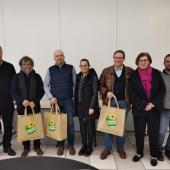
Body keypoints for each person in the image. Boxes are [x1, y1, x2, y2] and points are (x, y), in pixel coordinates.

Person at [128, 52, 166, 166]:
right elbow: (131, 92)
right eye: (141, 60)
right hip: (139, 109)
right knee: (139, 132)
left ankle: (153, 155)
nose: (143, 62)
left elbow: (162, 91)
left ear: (149, 61)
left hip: (154, 109)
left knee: (153, 132)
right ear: (137, 62)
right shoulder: (133, 75)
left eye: (145, 60)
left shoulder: (157, 73)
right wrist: (144, 104)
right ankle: (139, 153)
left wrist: (152, 104)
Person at [99, 50, 133, 160]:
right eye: (116, 57)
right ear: (113, 58)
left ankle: (120, 148)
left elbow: (134, 87)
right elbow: (100, 85)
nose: (118, 59)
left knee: (121, 126)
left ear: (124, 58)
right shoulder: (106, 71)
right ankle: (107, 148)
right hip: (110, 102)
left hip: (124, 102)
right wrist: (106, 91)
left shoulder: (129, 71)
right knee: (108, 125)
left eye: (120, 57)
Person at [44, 49, 76, 156]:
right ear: (54, 57)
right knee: (58, 124)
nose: (59, 57)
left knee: (70, 124)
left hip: (68, 100)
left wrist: (74, 98)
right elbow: (45, 85)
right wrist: (50, 97)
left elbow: (75, 85)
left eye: (61, 55)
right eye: (57, 56)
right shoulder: (50, 70)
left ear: (64, 56)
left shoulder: (71, 68)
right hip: (55, 101)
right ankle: (61, 144)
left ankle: (70, 144)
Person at [11, 56, 44, 156]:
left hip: (35, 106)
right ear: (21, 66)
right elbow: (13, 91)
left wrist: (35, 100)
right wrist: (21, 100)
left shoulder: (37, 76)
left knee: (36, 126)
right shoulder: (16, 77)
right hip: (22, 107)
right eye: (24, 64)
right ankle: (26, 147)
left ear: (32, 65)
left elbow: (41, 91)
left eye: (28, 64)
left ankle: (37, 146)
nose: (26, 66)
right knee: (25, 127)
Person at [74, 59, 99, 156]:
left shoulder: (92, 77)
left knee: (90, 127)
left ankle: (89, 147)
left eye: (85, 65)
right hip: (80, 106)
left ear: (88, 66)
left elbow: (95, 93)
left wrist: (92, 106)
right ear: (80, 67)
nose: (83, 67)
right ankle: (84, 146)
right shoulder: (78, 76)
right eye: (81, 65)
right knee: (82, 127)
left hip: (89, 107)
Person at [0, 46, 16, 156]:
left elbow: (14, 84)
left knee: (8, 126)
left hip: (7, 102)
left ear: (2, 53)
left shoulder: (9, 67)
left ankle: (7, 146)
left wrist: (14, 98)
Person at [157, 54, 170, 161]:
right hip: (163, 109)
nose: (169, 63)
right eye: (167, 61)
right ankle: (158, 150)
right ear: (164, 63)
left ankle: (168, 149)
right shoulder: (159, 76)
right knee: (161, 132)